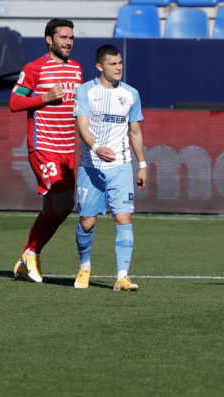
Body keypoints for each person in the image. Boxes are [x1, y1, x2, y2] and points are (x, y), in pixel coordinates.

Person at [9, 18, 84, 282]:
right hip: (44, 146)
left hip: (68, 150)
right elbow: (14, 101)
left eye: (71, 37)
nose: (68, 42)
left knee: (56, 206)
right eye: (63, 37)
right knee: (64, 204)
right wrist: (45, 99)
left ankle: (24, 260)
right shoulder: (34, 68)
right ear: (49, 40)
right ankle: (33, 253)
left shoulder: (76, 69)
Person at [72, 44, 147, 291]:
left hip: (121, 166)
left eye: (120, 63)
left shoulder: (131, 94)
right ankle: (84, 267)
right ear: (99, 66)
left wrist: (142, 165)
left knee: (123, 218)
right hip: (90, 165)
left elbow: (135, 132)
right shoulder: (86, 91)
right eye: (113, 64)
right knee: (87, 222)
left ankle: (122, 276)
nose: (118, 68)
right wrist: (95, 148)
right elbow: (82, 126)